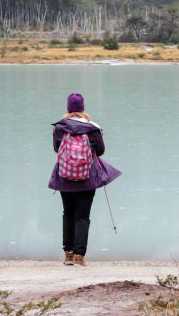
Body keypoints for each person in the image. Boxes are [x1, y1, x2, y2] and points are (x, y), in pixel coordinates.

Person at [48, 92, 121, 266]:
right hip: (87, 178)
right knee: (82, 216)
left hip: (65, 177)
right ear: (82, 108)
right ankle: (80, 256)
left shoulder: (60, 127)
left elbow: (57, 149)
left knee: (68, 214)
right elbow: (101, 150)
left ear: (68, 108)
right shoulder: (92, 128)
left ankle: (68, 255)